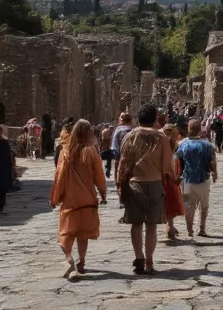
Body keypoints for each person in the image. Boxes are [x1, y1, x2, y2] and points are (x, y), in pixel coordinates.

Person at [117, 104, 174, 275]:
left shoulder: (130, 137)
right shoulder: (161, 137)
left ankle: (139, 257)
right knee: (151, 226)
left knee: (136, 224)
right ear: (154, 118)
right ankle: (149, 261)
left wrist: (120, 184)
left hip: (135, 184)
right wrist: (172, 178)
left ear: (138, 119)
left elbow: (123, 163)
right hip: (154, 183)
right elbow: (166, 165)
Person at [50, 119, 107, 281]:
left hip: (70, 199)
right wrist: (103, 193)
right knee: (83, 234)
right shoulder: (91, 152)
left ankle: (70, 261)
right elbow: (99, 176)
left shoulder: (65, 152)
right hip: (88, 199)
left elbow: (59, 177)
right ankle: (81, 262)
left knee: (66, 234)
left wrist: (55, 197)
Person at [175, 119, 217, 238]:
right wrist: (215, 174)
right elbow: (213, 162)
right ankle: (202, 228)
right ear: (200, 130)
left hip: (187, 180)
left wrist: (177, 176)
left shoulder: (182, 144)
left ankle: (189, 230)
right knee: (204, 205)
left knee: (188, 206)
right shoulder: (208, 145)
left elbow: (177, 161)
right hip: (203, 179)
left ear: (188, 130)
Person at [162, 124, 185, 241]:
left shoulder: (160, 143)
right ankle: (169, 226)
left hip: (161, 176)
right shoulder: (175, 146)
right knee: (171, 202)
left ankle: (169, 226)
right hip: (170, 176)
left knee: (165, 203)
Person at [111, 112, 133, 185]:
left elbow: (115, 144)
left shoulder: (118, 130)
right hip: (129, 156)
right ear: (130, 121)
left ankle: (118, 183)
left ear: (122, 121)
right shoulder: (131, 131)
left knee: (118, 169)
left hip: (119, 154)